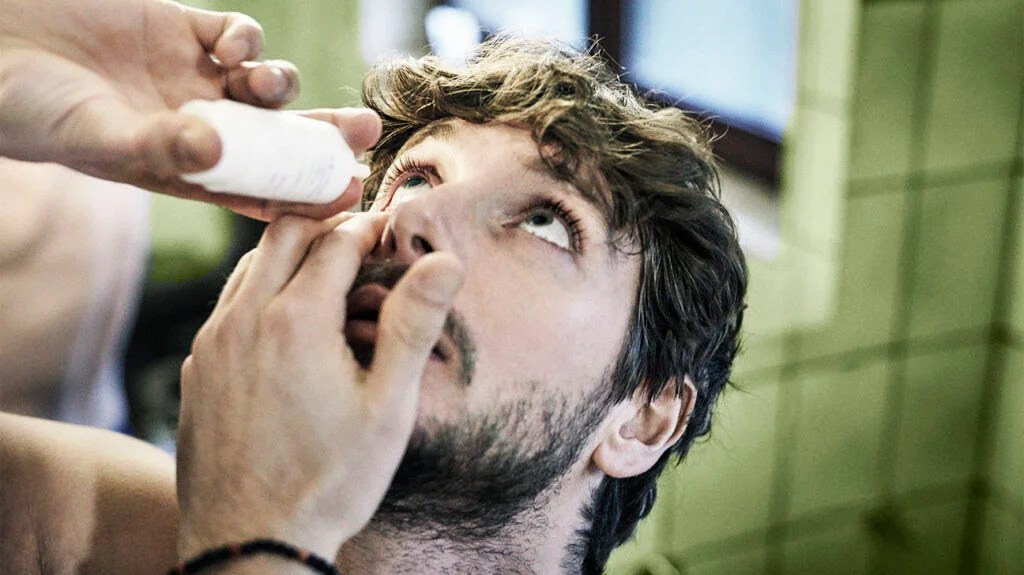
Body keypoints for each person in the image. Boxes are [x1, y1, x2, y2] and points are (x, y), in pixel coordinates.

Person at [0, 3, 747, 575]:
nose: (411, 215)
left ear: (645, 418)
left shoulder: (231, 527)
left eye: (548, 221)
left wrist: (255, 544)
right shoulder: (105, 521)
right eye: (415, 177)